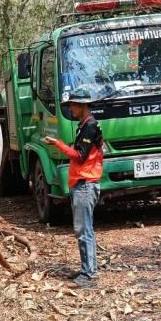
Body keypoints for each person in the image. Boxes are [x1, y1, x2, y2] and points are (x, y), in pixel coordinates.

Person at [42, 88, 104, 287]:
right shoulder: (84, 126)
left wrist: (58, 144)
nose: (71, 109)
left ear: (84, 106)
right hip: (83, 184)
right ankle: (88, 269)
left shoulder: (90, 127)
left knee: (83, 230)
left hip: (85, 185)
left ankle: (89, 275)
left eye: (74, 105)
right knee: (85, 229)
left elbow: (80, 155)